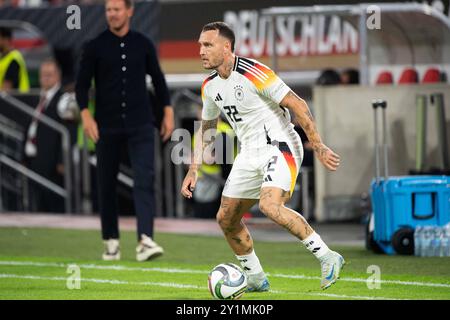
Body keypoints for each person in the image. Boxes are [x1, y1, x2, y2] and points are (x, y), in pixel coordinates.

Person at [181, 22, 344, 291]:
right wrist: (193, 168)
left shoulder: (254, 72)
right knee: (226, 218)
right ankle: (256, 278)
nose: (201, 50)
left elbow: (297, 104)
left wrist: (318, 144)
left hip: (281, 145)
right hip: (249, 152)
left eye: (207, 45)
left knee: (270, 206)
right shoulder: (209, 86)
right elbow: (208, 127)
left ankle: (328, 257)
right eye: (200, 44)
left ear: (227, 47)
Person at [75, 0, 174, 261]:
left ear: (129, 11)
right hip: (105, 126)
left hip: (141, 123)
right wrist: (85, 115)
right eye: (109, 10)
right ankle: (111, 241)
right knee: (105, 184)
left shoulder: (143, 43)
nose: (112, 14)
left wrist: (168, 110)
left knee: (145, 180)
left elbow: (159, 79)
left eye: (117, 9)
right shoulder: (94, 46)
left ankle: (145, 240)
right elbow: (81, 85)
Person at [24, 58, 76, 212]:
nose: (45, 78)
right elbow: (29, 127)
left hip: (53, 164)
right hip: (35, 160)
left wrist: (62, 160)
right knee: (39, 204)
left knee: (53, 204)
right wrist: (24, 156)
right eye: (43, 75)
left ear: (58, 76)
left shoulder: (64, 98)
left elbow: (70, 131)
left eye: (49, 75)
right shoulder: (37, 98)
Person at [0, 26, 30, 92]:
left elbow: (6, 89)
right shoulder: (3, 58)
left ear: (6, 40)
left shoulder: (14, 60)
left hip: (17, 100)